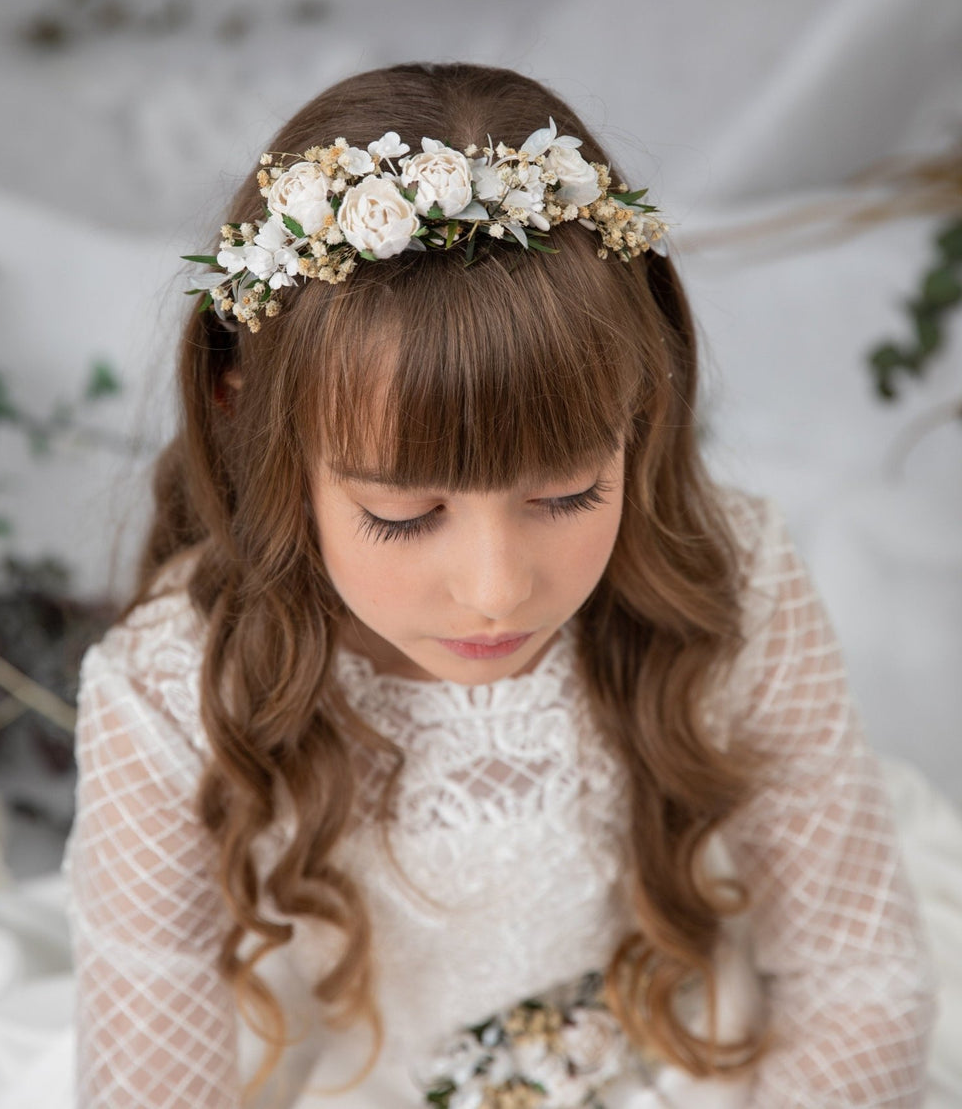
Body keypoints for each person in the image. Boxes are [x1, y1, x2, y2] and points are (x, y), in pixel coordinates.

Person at [62, 62, 938, 1108]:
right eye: (402, 513)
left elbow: (862, 984)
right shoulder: (167, 695)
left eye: (568, 494)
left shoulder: (731, 581)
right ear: (245, 408)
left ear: (641, 409)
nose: (495, 591)